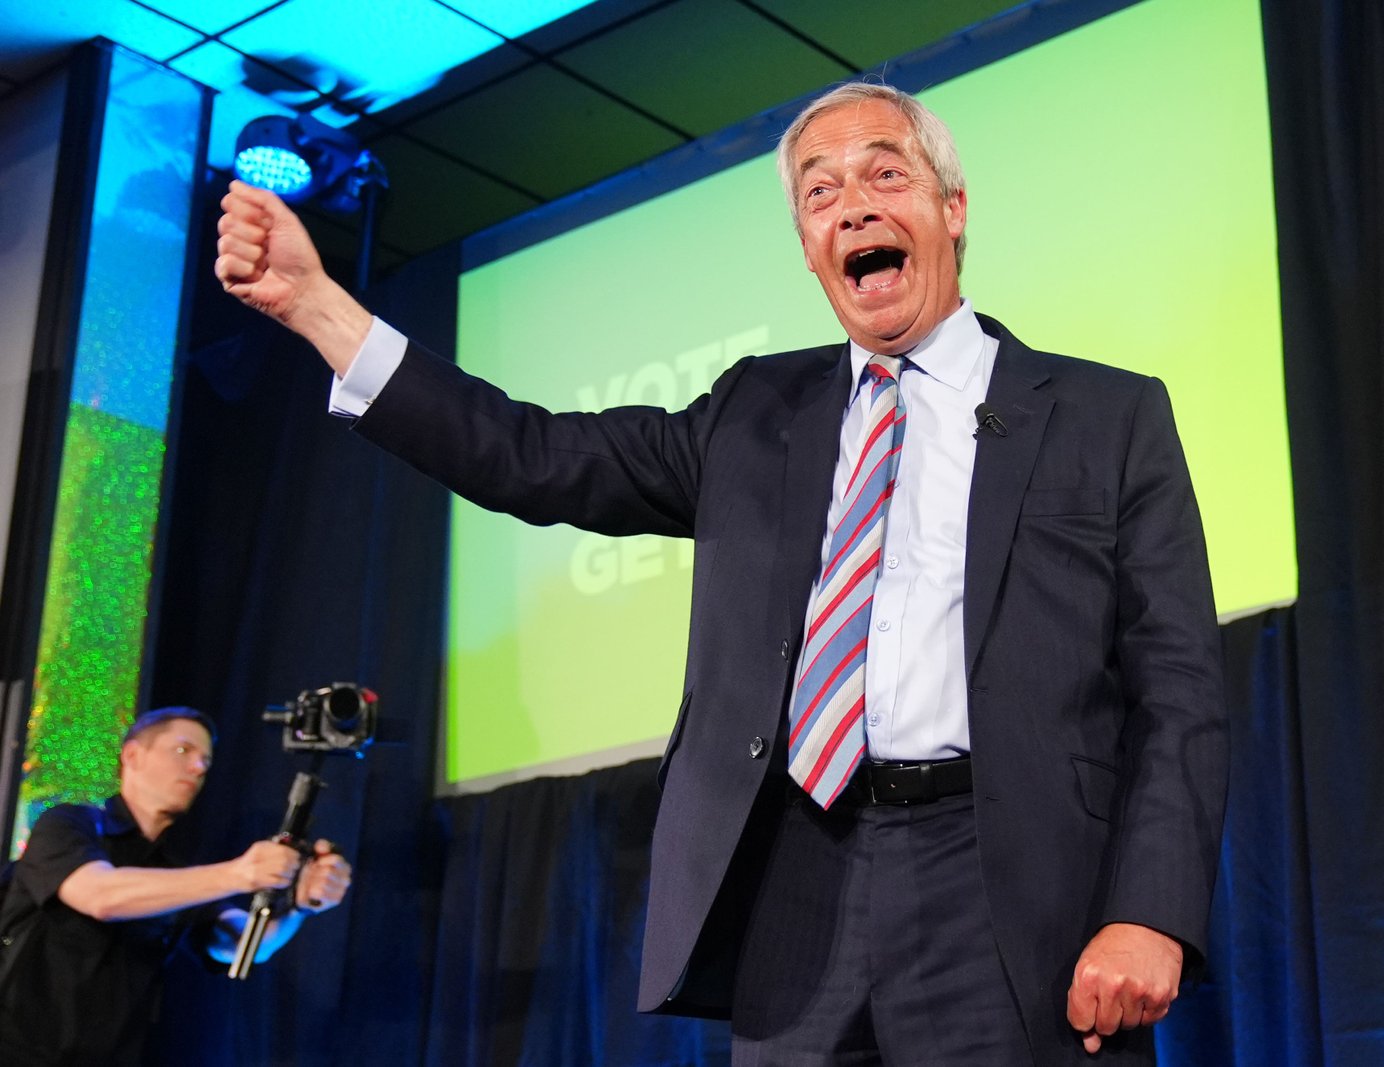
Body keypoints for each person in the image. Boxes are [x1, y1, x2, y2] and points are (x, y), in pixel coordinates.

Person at [215, 81, 1227, 1063]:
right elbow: (531, 453)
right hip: (795, 890)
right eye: (820, 193)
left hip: (1007, 889)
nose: (853, 205)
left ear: (951, 210)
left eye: (885, 174)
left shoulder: (1104, 415)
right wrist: (316, 307)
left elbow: (1177, 688)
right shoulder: (754, 412)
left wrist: (1149, 911)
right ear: (807, 248)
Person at [0, 707, 352, 1066]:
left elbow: (247, 945)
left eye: (206, 761)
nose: (198, 768)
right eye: (183, 751)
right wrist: (240, 874)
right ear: (133, 755)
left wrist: (301, 905)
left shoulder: (179, 875)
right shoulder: (69, 824)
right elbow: (100, 895)